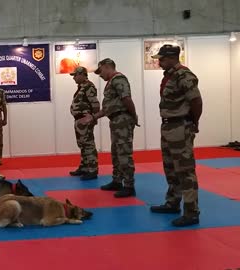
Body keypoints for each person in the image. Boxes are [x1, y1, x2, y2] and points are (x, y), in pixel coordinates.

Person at [149, 44, 203, 227]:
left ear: (172, 58)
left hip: (180, 126)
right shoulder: (170, 76)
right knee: (170, 167)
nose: (159, 63)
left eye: (162, 59)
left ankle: (191, 212)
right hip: (168, 126)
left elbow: (196, 101)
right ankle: (172, 202)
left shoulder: (184, 75)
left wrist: (193, 123)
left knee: (185, 170)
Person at [79, 58, 139, 198]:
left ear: (107, 67)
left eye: (101, 71)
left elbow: (127, 99)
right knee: (116, 153)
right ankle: (117, 181)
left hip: (122, 120)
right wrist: (93, 117)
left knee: (124, 153)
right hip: (116, 120)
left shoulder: (118, 79)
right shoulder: (111, 82)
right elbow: (108, 108)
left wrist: (133, 116)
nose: (100, 75)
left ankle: (129, 186)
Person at [68, 66, 100, 180]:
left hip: (85, 120)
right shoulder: (81, 87)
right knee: (82, 144)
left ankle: (92, 169)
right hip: (79, 120)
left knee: (88, 145)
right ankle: (84, 167)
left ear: (82, 74)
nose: (74, 78)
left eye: (75, 75)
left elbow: (95, 104)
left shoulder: (88, 87)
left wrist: (93, 119)